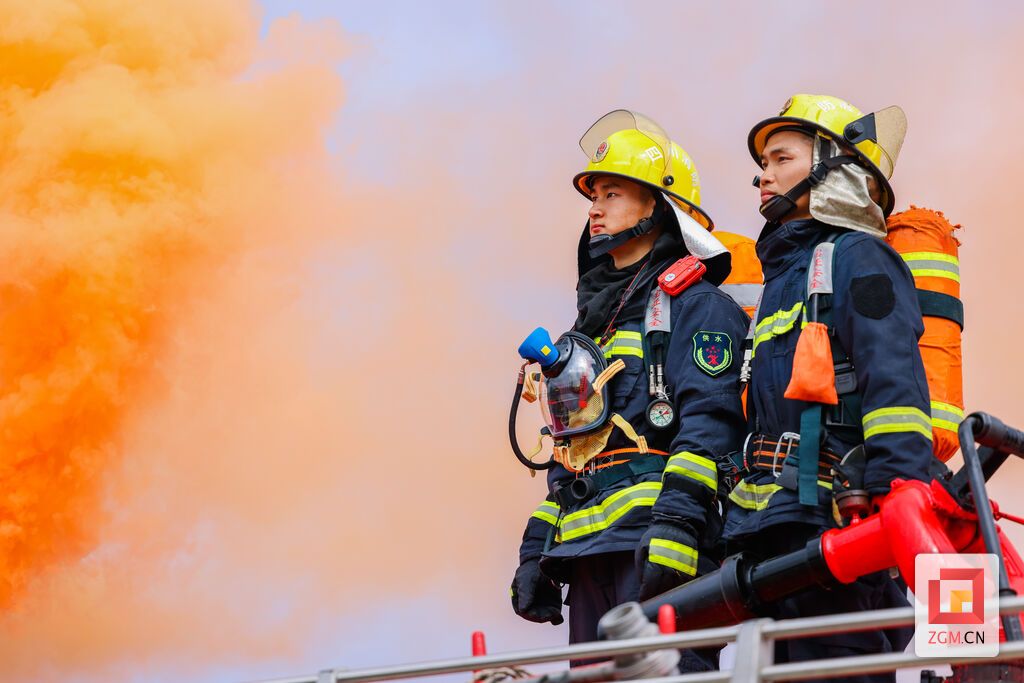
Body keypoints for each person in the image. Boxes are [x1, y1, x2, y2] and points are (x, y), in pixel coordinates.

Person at [509, 110, 748, 672]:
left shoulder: (698, 307)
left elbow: (710, 426)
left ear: (659, 208)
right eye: (593, 195)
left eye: (612, 193)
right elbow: (573, 452)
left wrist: (677, 529)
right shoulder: (593, 330)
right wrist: (534, 552)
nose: (594, 209)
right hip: (587, 555)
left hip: (661, 550)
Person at [724, 94, 933, 682]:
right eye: (763, 162)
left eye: (780, 158)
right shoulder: (783, 278)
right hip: (770, 529)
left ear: (832, 170)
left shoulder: (861, 257)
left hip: (839, 527)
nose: (761, 175)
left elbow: (893, 383)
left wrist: (893, 505)